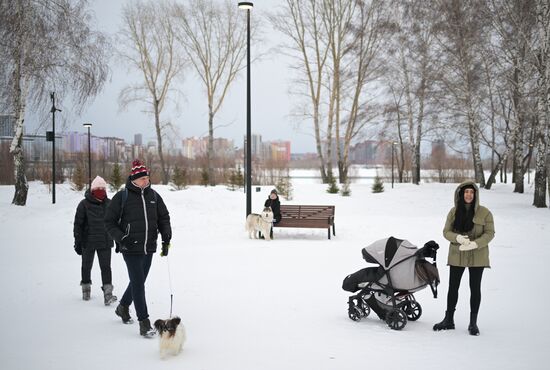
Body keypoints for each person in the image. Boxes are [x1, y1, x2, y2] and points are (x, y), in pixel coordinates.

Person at [104, 159, 172, 338]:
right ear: (134, 179)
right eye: (143, 179)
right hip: (130, 247)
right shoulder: (122, 197)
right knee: (138, 285)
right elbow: (109, 222)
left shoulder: (154, 196)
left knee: (138, 282)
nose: (146, 181)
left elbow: (164, 218)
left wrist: (166, 238)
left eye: (147, 178)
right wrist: (121, 238)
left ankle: (123, 307)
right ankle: (144, 322)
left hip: (148, 247)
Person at [434, 180, 495, 336]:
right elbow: (446, 232)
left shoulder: (485, 212)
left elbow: (490, 233)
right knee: (453, 287)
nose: (469, 195)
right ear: (461, 194)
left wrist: (475, 244)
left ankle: (473, 323)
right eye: (466, 192)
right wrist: (458, 238)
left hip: (478, 255)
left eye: (472, 192)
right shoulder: (453, 212)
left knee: (475, 288)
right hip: (457, 253)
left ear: (475, 195)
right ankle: (448, 320)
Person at [73, 175, 118, 305]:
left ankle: (108, 294)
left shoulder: (109, 204)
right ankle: (86, 289)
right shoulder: (84, 204)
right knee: (86, 266)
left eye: (103, 188)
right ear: (92, 190)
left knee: (106, 268)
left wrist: (118, 239)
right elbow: (78, 224)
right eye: (98, 188)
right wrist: (78, 241)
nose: (101, 190)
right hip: (88, 242)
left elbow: (115, 223)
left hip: (105, 241)